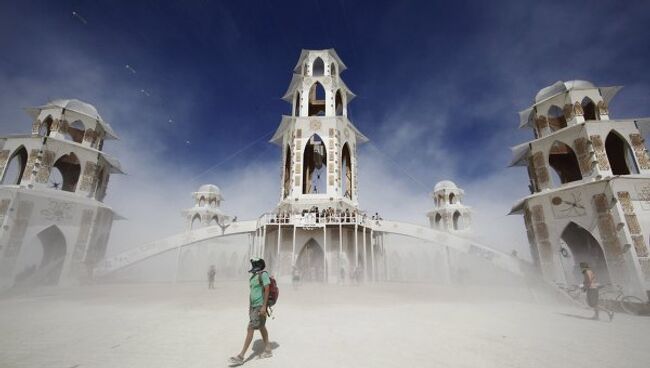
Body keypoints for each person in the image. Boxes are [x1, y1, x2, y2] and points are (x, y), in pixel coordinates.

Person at [229, 258, 273, 365]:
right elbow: (252, 293)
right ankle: (268, 350)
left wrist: (263, 306)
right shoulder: (253, 277)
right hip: (254, 306)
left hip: (259, 306)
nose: (253, 265)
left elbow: (267, 289)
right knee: (262, 326)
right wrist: (250, 307)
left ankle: (241, 356)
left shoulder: (263, 275)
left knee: (250, 328)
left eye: (254, 264)